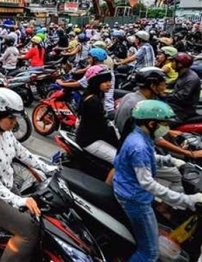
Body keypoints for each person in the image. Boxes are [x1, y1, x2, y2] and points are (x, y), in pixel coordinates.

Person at [0, 88, 59, 262]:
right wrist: (18, 200)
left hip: (5, 184)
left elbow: (22, 152)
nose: (14, 123)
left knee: (37, 215)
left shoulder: (5, 132)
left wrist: (47, 168)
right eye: (11, 118)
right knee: (29, 231)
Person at [113, 100, 202, 262]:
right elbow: (148, 183)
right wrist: (187, 200)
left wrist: (172, 161)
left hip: (128, 191)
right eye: (165, 124)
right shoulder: (138, 144)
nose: (166, 128)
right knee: (150, 254)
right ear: (152, 123)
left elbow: (147, 157)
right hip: (135, 200)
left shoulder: (138, 135)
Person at [76, 65, 118, 165]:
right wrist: (116, 141)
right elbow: (101, 128)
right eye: (105, 82)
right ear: (96, 82)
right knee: (120, 160)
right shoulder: (93, 101)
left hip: (93, 135)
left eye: (109, 81)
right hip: (89, 140)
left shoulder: (96, 96)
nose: (109, 84)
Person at [166, 52, 200, 121]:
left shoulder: (191, 79)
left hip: (183, 111)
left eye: (173, 61)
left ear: (180, 64)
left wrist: (163, 96)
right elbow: (171, 84)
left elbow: (180, 97)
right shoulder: (182, 74)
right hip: (176, 106)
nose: (171, 63)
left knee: (161, 124)